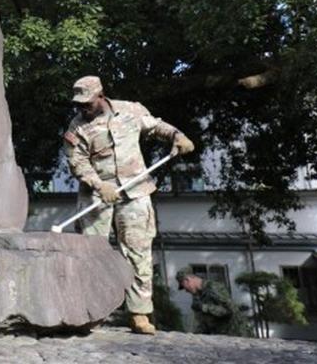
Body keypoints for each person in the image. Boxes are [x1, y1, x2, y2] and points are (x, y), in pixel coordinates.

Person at [62, 75, 195, 335]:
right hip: (97, 197)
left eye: (87, 103)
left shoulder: (130, 110)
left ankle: (139, 314)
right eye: (79, 105)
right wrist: (99, 185)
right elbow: (77, 162)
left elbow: (155, 126)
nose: (82, 109)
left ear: (100, 96)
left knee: (138, 252)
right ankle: (93, 313)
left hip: (135, 192)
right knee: (91, 254)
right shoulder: (76, 127)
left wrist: (177, 136)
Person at [176, 267, 252, 336]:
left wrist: (204, 307)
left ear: (187, 280)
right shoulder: (198, 296)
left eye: (184, 286)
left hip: (237, 334)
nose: (186, 290)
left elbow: (228, 311)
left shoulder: (213, 287)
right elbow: (204, 323)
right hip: (221, 336)